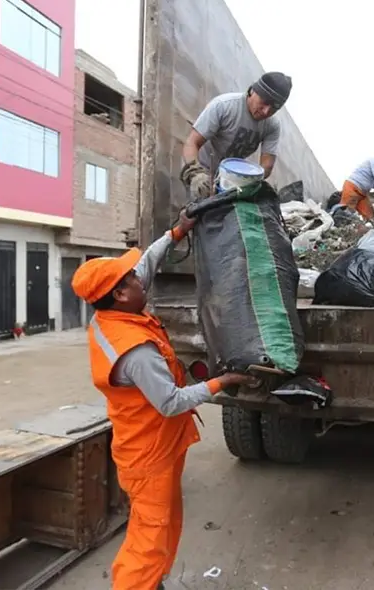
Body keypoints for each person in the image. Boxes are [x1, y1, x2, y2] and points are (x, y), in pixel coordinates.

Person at [71, 212, 256, 590]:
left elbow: (146, 263)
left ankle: (152, 584)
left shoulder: (113, 313)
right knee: (149, 539)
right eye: (133, 279)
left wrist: (176, 233)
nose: (142, 278)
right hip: (149, 455)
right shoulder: (134, 351)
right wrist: (222, 382)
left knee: (164, 527)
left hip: (154, 446)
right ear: (121, 293)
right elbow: (170, 402)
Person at [180, 71, 293, 198]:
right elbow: (192, 143)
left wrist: (247, 182)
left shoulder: (272, 126)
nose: (266, 111)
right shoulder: (224, 106)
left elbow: (266, 165)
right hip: (202, 169)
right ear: (253, 91)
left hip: (232, 181)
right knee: (195, 213)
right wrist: (196, 173)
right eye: (265, 102)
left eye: (274, 108)